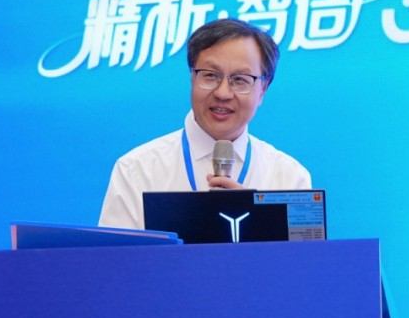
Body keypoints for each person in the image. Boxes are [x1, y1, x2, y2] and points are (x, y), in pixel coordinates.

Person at [98, 18, 311, 229]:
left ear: (263, 89)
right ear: (192, 77)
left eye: (240, 80)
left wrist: (257, 225)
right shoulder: (137, 169)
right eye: (210, 76)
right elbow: (120, 252)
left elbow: (305, 252)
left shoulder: (290, 178)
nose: (223, 93)